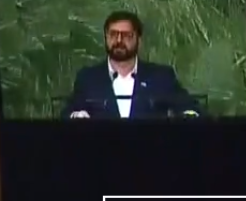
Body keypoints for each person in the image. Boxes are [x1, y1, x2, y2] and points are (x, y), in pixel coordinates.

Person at [62, 11, 200, 120]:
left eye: (127, 35)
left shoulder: (161, 76)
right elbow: (69, 112)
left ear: (138, 40)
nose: (119, 40)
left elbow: (190, 108)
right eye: (113, 34)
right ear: (106, 37)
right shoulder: (88, 78)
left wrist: (188, 115)